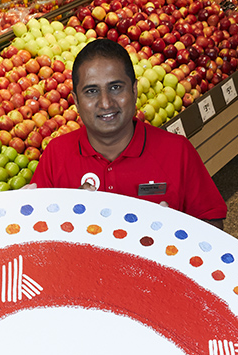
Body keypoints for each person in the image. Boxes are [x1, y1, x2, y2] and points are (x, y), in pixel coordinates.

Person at [32, 38, 227, 227]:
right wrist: (67, 213)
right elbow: (37, 225)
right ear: (76, 100)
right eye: (91, 91)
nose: (106, 103)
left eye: (116, 88)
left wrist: (174, 230)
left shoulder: (177, 151)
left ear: (134, 90)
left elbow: (212, 222)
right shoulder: (56, 154)